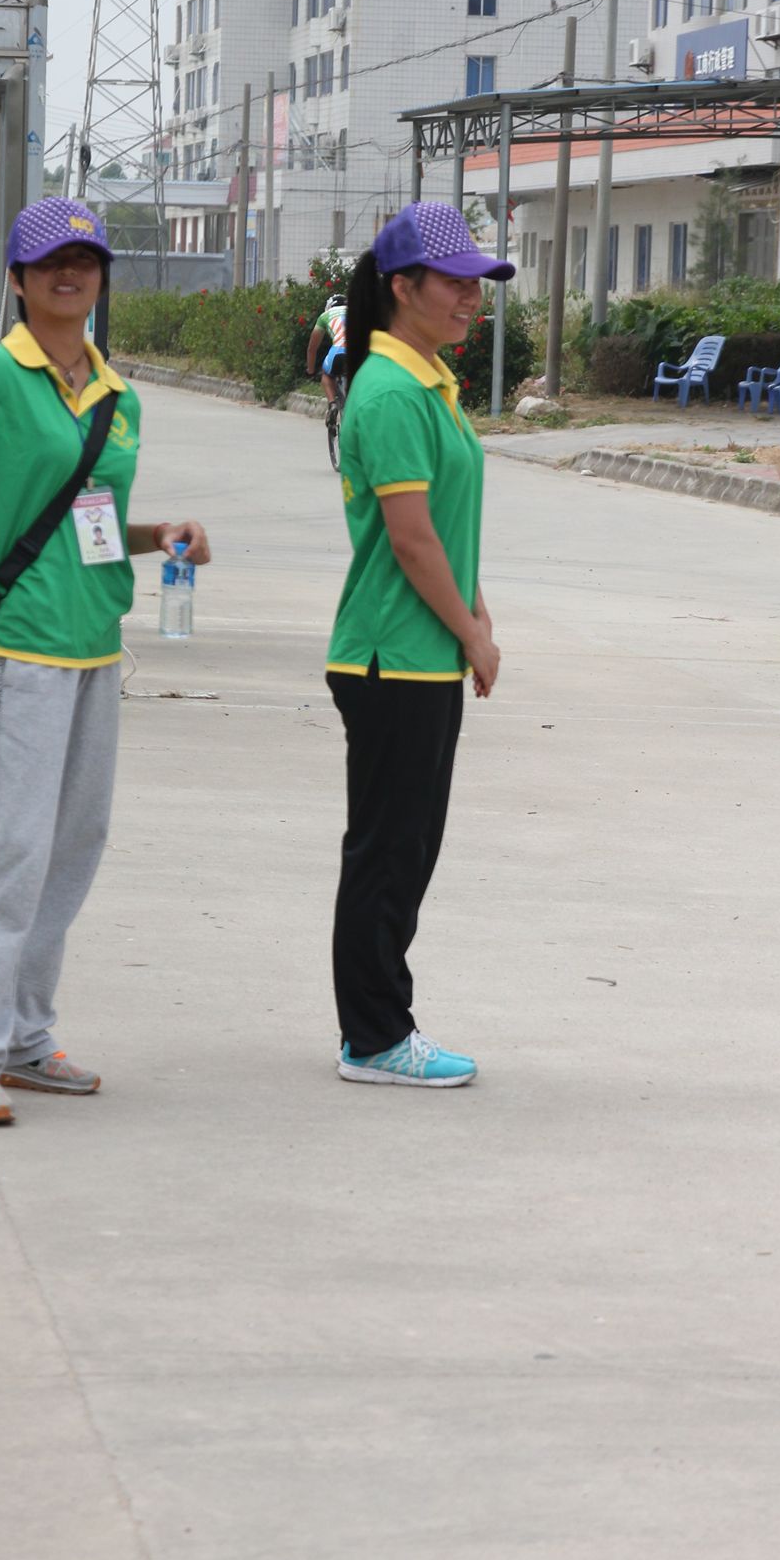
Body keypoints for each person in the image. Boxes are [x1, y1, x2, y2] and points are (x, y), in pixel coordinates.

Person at [0, 197, 210, 1126]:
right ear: (18, 280)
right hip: (18, 649)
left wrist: (158, 533)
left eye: (86, 260)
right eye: (50, 260)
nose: (70, 272)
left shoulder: (117, 394)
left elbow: (90, 519)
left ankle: (24, 1036)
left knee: (70, 850)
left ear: (102, 278)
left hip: (96, 647)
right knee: (10, 851)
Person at [325, 202, 511, 1088]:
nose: (472, 297)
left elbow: (443, 526)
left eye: (478, 282)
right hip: (390, 653)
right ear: (403, 287)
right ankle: (374, 1036)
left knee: (407, 848)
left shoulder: (427, 379)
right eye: (455, 282)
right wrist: (471, 630)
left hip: (421, 652)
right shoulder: (394, 390)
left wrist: (475, 613)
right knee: (388, 853)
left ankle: (378, 1029)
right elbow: (409, 538)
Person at [306, 293, 348, 405]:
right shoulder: (357, 310)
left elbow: (312, 348)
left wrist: (311, 371)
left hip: (339, 350)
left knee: (326, 374)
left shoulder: (325, 316)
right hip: (360, 351)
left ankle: (332, 403)